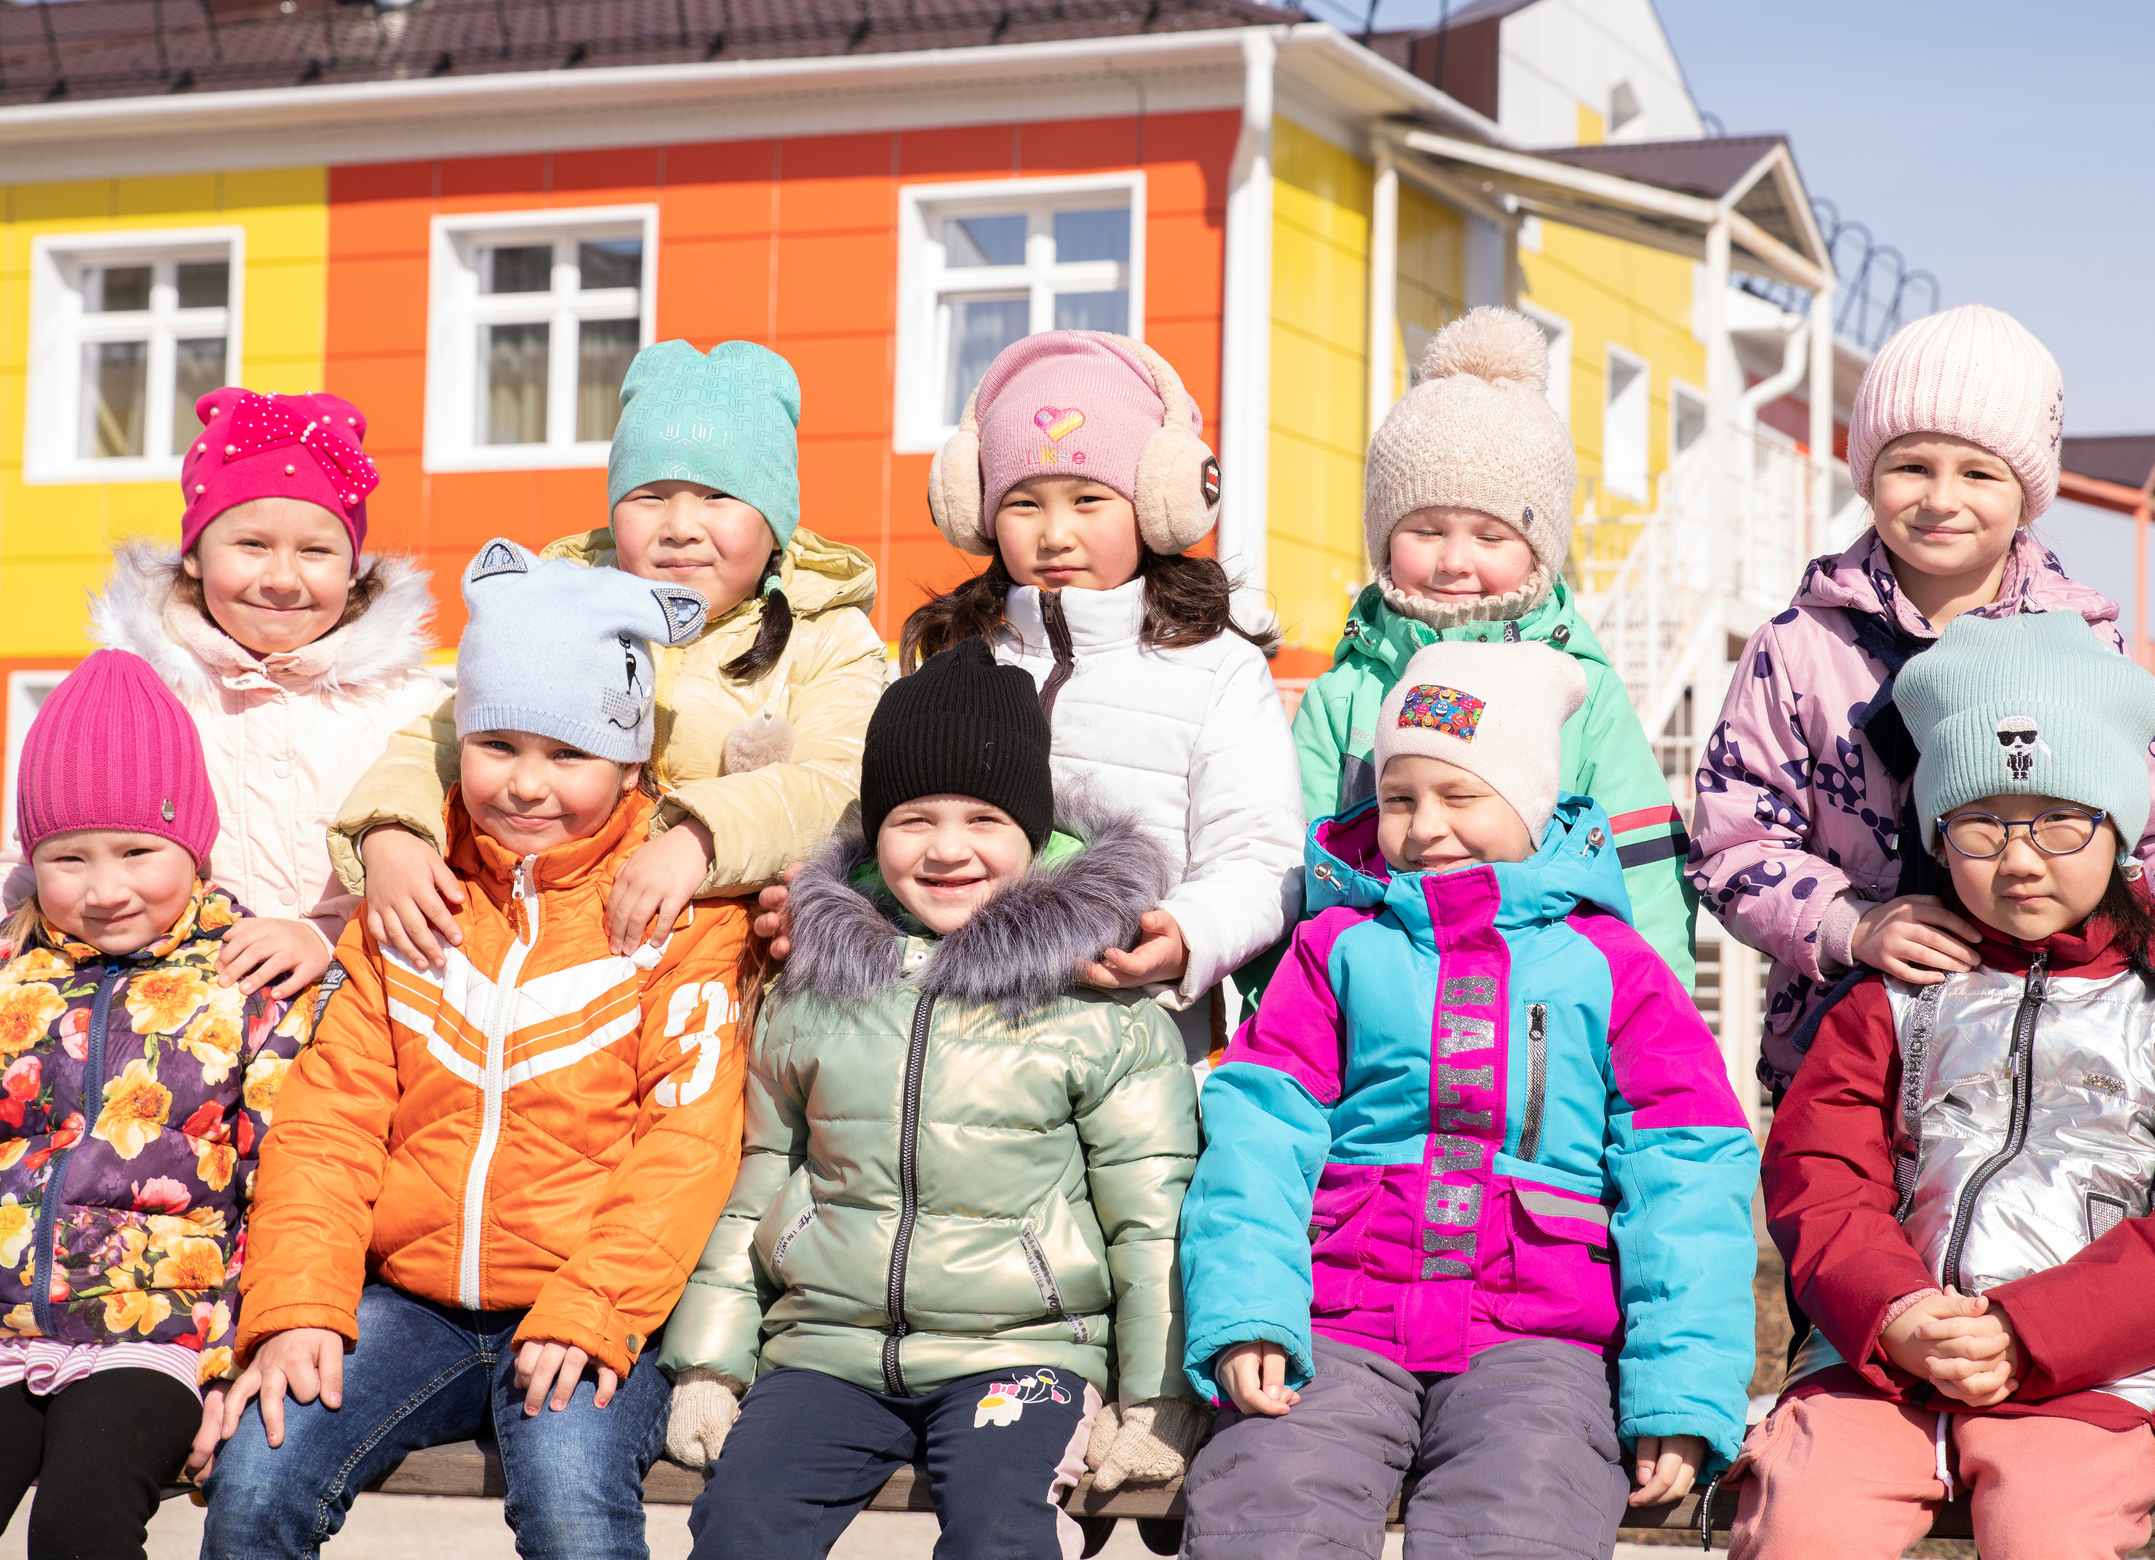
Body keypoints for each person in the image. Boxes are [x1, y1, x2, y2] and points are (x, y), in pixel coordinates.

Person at [198, 540, 754, 1560]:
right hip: (414, 1304)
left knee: (571, 1501)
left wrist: (592, 1307)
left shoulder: (681, 918)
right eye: (498, 744)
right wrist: (299, 1305)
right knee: (258, 1470)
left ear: (630, 760)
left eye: (568, 753)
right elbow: (329, 1125)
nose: (527, 784)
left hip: (592, 1298)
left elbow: (688, 1143)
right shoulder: (412, 901)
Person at [1738, 609, 2155, 1560]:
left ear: (2119, 824)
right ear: (1939, 832)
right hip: (1881, 1356)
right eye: (1982, 825)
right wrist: (1896, 1312)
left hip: (2102, 1368)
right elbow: (1819, 1173)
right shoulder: (1892, 995)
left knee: (2048, 1527)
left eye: (2059, 820)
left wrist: (2031, 1331)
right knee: (1804, 1517)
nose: (2023, 856)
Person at [1180, 643, 1758, 1560]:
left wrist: (1680, 1391)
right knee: (1270, 1498)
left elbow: (1685, 1171)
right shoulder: (1337, 948)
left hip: (1540, 1335)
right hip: (1341, 1317)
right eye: (1401, 798)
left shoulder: (1608, 964)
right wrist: (1254, 1310)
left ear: (1529, 806)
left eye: (1462, 796)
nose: (1425, 827)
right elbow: (1260, 1129)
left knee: (1520, 1516)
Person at [657, 641, 1201, 1560]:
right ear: (875, 834)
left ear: (1034, 830)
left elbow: (1151, 1217)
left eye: (985, 817)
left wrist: (1156, 1396)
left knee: (1001, 1533)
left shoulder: (1095, 1003)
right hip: (825, 1350)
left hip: (1023, 1354)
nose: (948, 848)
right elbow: (758, 1180)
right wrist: (710, 1360)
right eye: (914, 819)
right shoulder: (820, 987)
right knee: (741, 1525)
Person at [0, 650, 310, 1560]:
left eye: (138, 851)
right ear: (29, 859)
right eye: (66, 857)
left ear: (192, 848)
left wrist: (231, 1361)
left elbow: (280, 1190)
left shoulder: (248, 988)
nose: (105, 886)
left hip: (154, 1334)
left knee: (81, 1529)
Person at [1687, 303, 2155, 1101]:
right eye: (1911, 465)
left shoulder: (2081, 647)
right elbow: (1731, 844)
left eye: (1979, 472)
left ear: (2027, 494)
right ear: (1867, 472)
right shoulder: (1798, 649)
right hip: (1852, 1061)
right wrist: (1852, 925)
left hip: (2051, 1062)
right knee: (1845, 1224)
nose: (1940, 498)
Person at [335, 339, 885, 969]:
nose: (679, 524)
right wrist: (392, 833)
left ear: (774, 519)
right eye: (649, 495)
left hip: (724, 962)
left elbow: (842, 782)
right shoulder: (561, 601)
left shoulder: (826, 636)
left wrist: (700, 840)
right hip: (545, 944)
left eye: (717, 496)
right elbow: (446, 738)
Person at [0, 386, 448, 1017]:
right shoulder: (138, 697)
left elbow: (447, 872)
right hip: (184, 1045)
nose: (280, 577)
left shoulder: (412, 706)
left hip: (365, 1027)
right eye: (250, 544)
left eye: (316, 550)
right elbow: (55, 849)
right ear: (192, 555)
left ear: (354, 566)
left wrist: (325, 934)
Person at [899, 328, 1303, 1060]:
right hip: (962, 1049)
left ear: (1157, 502)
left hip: (1142, 1039)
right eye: (1023, 503)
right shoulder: (955, 655)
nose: (1055, 533)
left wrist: (1185, 935)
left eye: (1088, 498)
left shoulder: (1220, 669)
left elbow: (1260, 851)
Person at [1286, 307, 1696, 988]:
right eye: (1424, 528)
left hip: (1546, 1017)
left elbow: (1642, 868)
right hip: (1370, 1009)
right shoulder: (1346, 695)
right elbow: (1291, 875)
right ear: (1384, 534)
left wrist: (1656, 1027)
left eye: (1491, 535)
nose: (1454, 560)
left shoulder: (1582, 695)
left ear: (1537, 549)